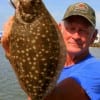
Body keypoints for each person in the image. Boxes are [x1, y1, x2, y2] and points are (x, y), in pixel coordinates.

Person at [1, 2, 100, 100]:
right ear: (60, 28)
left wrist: (11, 54)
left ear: (94, 36)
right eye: (71, 28)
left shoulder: (97, 70)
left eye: (83, 30)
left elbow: (52, 97)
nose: (75, 36)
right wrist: (11, 53)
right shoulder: (47, 64)